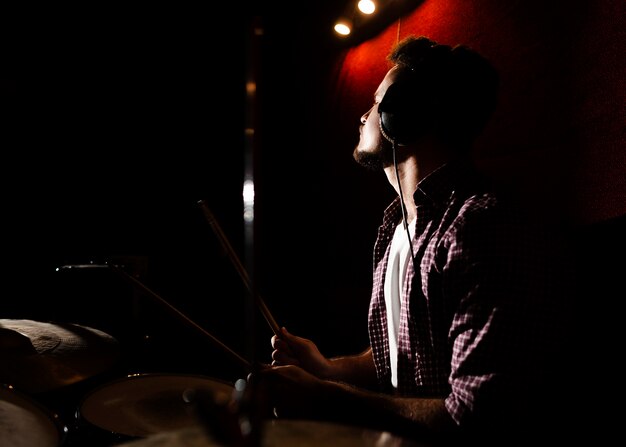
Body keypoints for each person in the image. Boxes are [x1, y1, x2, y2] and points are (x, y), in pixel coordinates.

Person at [249, 35, 574, 446]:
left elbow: (478, 418)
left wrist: (326, 397)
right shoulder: (398, 227)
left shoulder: (482, 228)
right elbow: (412, 350)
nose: (363, 116)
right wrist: (331, 370)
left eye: (375, 103)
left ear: (404, 115)